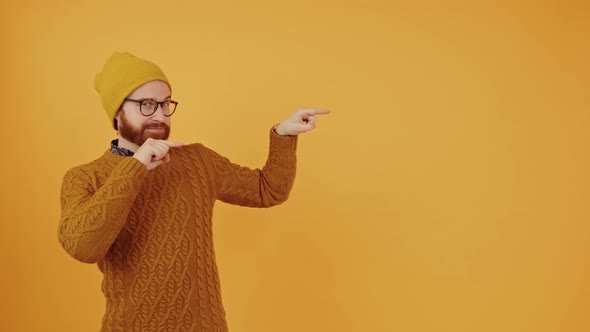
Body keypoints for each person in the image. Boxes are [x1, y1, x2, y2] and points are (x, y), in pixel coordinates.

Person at [58, 52, 330, 332]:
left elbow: (268, 190)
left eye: (165, 104)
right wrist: (135, 167)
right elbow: (83, 247)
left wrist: (284, 135)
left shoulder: (197, 161)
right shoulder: (85, 177)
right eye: (147, 104)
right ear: (117, 111)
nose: (161, 115)